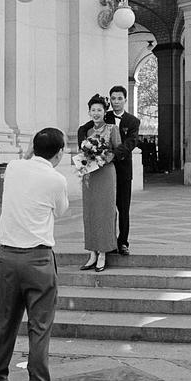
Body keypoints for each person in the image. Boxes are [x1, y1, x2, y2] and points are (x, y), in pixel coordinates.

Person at [0, 127, 69, 381]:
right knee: (39, 330)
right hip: (38, 261)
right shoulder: (57, 179)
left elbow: (26, 156)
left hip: (7, 257)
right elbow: (61, 211)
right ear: (59, 153)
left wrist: (32, 148)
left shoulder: (16, 167)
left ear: (33, 146)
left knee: (2, 323)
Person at [76, 94, 121, 272]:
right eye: (93, 110)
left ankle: (103, 252)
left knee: (105, 211)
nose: (96, 113)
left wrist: (105, 156)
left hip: (106, 173)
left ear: (105, 112)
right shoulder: (86, 132)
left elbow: (117, 150)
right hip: (90, 175)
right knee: (90, 211)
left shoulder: (112, 129)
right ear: (89, 112)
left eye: (99, 110)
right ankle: (92, 252)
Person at [103, 85, 140, 255]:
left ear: (125, 100)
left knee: (123, 208)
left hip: (124, 170)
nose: (116, 102)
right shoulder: (103, 116)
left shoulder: (133, 121)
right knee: (107, 208)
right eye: (113, 98)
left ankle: (123, 242)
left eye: (119, 98)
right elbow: (84, 129)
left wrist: (114, 155)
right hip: (105, 171)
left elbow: (130, 143)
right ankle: (108, 242)